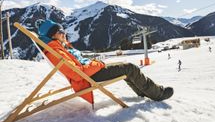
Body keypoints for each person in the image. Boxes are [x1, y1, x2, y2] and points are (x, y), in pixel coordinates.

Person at [36, 19, 174, 103]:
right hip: (89, 76)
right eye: (60, 32)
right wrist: (98, 64)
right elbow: (78, 73)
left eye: (63, 30)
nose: (64, 33)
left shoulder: (57, 46)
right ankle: (157, 94)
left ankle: (144, 92)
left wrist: (92, 63)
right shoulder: (55, 51)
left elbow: (77, 63)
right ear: (52, 35)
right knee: (130, 68)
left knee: (126, 68)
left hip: (90, 71)